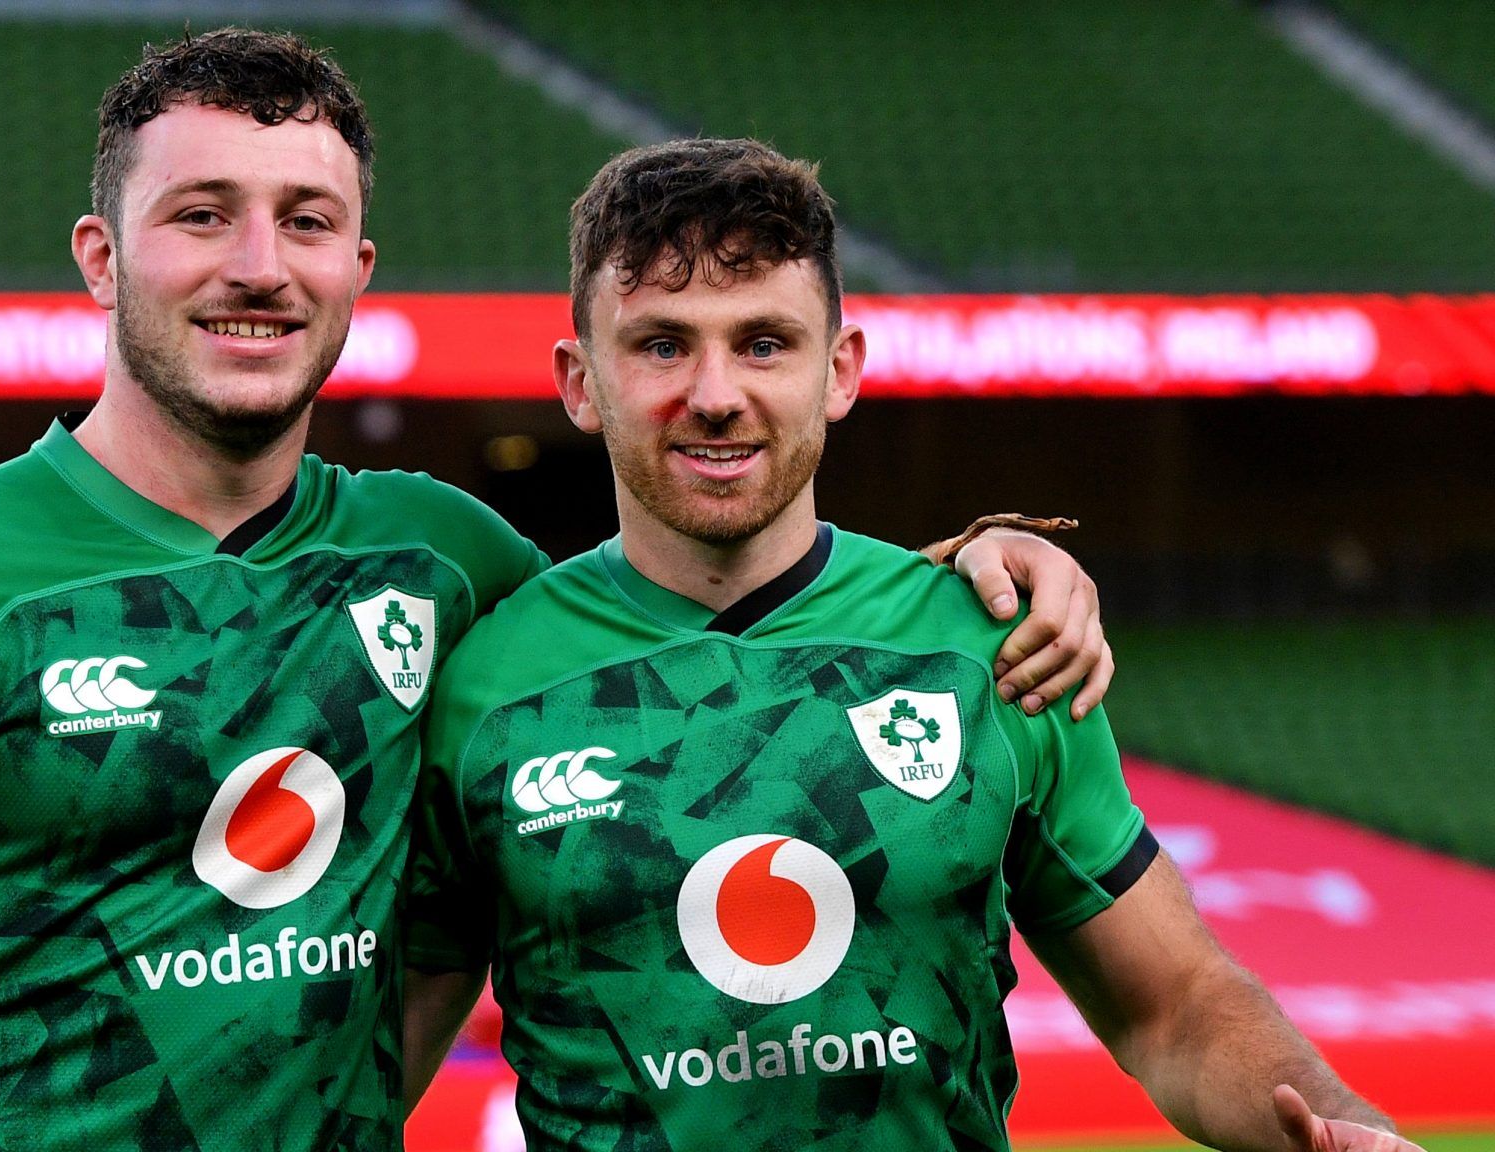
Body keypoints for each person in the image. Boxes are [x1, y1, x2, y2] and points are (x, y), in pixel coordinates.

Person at [0, 30, 1113, 1152]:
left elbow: (706, 596)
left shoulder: (451, 565)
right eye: (201, 216)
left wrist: (981, 567)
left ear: (357, 269)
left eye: (305, 221)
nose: (258, 266)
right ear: (100, 256)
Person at [379, 139, 1417, 1151]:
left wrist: (1342, 1130)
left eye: (764, 343)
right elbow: (374, 1067)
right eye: (661, 345)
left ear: (840, 371)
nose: (715, 395)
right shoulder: (480, 691)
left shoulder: (993, 649)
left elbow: (1177, 1007)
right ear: (577, 382)